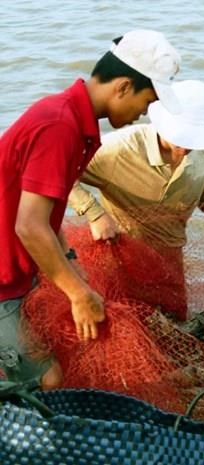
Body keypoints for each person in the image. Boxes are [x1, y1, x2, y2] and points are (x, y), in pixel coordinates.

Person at [0, 29, 181, 390]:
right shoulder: (59, 125)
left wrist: (69, 259)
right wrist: (78, 294)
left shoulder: (75, 123)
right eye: (146, 103)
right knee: (47, 380)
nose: (144, 114)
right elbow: (30, 226)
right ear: (123, 87)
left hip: (16, 267)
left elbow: (48, 213)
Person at [68, 79, 204, 320]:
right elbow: (61, 172)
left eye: (193, 140)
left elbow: (202, 193)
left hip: (169, 265)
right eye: (181, 139)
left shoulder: (200, 153)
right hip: (120, 258)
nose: (186, 148)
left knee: (175, 324)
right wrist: (95, 213)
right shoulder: (118, 149)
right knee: (125, 324)